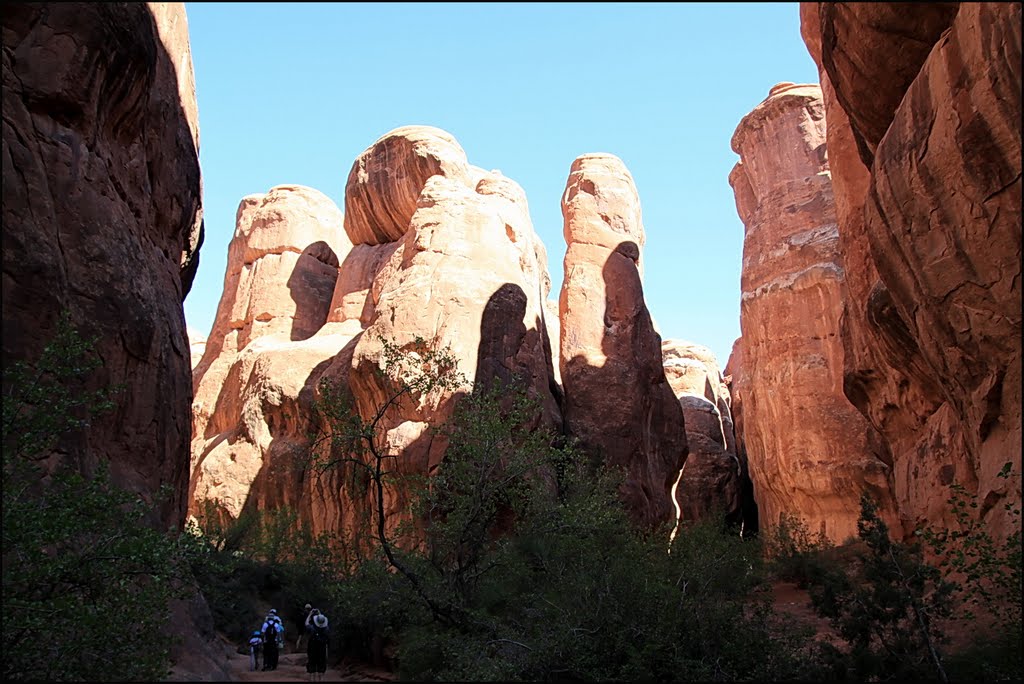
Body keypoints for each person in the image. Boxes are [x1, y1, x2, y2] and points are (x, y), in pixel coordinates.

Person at [306, 612, 330, 682]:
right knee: (321, 670)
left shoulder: (312, 628)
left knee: (311, 669)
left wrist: (310, 614)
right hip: (322, 651)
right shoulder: (326, 629)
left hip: (312, 650)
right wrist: (320, 613)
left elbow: (306, 623)